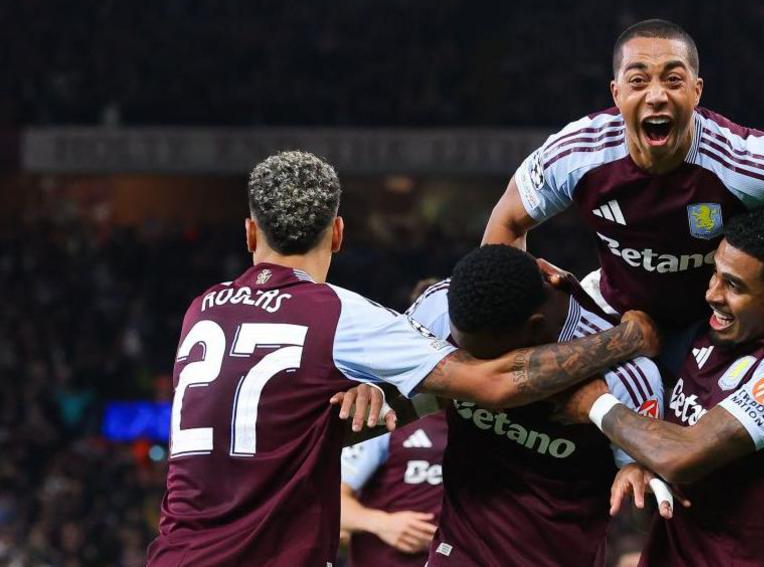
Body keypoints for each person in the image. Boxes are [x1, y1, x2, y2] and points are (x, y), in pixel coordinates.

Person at [145, 151, 660, 566]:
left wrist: (385, 391)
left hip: (175, 553)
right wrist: (623, 340)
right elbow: (492, 384)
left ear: (250, 234)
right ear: (340, 233)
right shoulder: (339, 315)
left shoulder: (200, 309)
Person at [483, 18, 764, 377]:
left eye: (673, 79)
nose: (656, 95)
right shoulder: (576, 153)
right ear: (616, 94)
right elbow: (507, 220)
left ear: (696, 92)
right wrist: (514, 308)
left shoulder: (745, 161)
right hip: (613, 314)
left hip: (714, 330)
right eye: (638, 80)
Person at [560, 204, 764, 565]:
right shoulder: (707, 333)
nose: (712, 293)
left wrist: (595, 404)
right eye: (716, 274)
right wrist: (638, 459)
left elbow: (682, 456)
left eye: (734, 285)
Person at [405, 245, 664, 567]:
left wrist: (638, 467)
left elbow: (642, 487)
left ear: (535, 327)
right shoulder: (438, 309)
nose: (477, 378)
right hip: (459, 548)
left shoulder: (624, 376)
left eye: (485, 359)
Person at [339, 411, 447, 567]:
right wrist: (382, 523)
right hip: (383, 559)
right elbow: (329, 501)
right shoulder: (389, 419)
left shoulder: (482, 426)